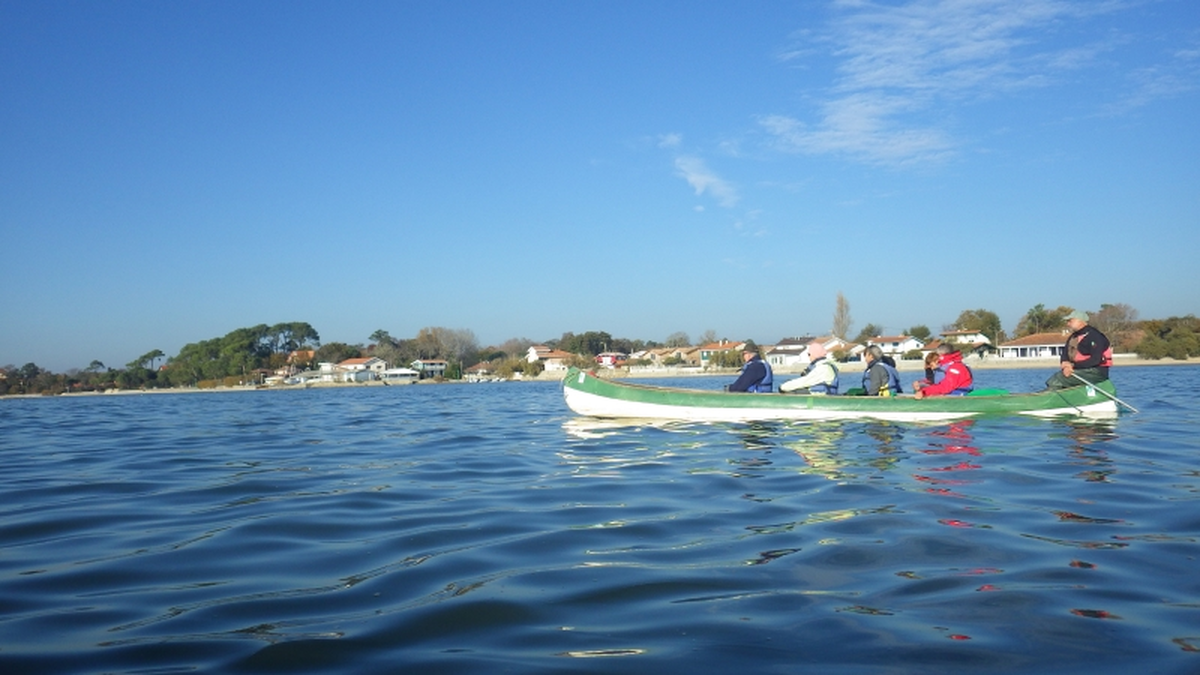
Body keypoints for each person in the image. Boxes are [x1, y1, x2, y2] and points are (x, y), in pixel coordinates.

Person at [1045, 310, 1112, 390]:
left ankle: (1049, 399)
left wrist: (1073, 366)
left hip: (1096, 372)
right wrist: (1065, 365)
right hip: (1079, 369)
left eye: (1070, 321)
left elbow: (1096, 360)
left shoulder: (1095, 336)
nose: (1068, 324)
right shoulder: (1073, 337)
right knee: (1060, 376)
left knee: (1056, 379)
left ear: (1080, 321)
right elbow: (1065, 355)